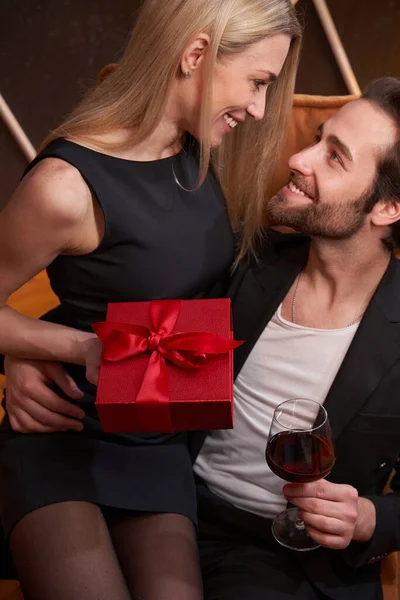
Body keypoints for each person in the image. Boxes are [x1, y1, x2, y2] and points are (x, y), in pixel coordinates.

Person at [0, 1, 301, 598]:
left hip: (160, 445)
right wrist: (70, 345)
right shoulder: (65, 187)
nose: (260, 108)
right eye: (258, 83)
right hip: (67, 437)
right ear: (195, 56)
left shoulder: (200, 149)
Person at [194, 76, 400, 600]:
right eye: (318, 139)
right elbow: (118, 308)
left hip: (290, 558)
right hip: (173, 503)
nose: (300, 158)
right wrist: (33, 352)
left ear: (387, 208)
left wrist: (371, 516)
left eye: (334, 157)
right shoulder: (242, 255)